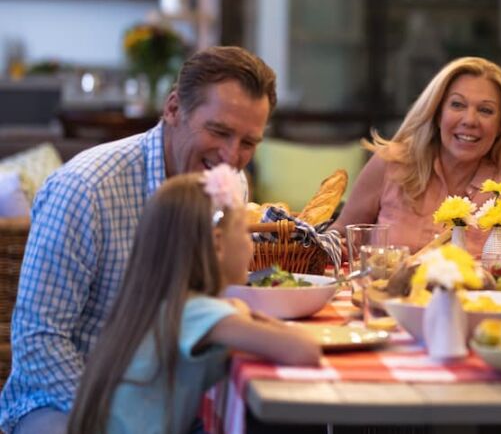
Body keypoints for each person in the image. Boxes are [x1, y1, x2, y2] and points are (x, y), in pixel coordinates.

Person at [0, 46, 277, 434]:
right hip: (68, 403)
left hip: (170, 404)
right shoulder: (85, 189)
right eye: (219, 131)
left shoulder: (227, 184)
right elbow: (38, 342)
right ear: (173, 109)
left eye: (248, 142)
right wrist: (121, 419)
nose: (232, 156)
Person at [66, 166, 321, 434]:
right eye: (245, 233)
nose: (252, 245)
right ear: (219, 245)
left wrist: (238, 311)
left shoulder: (162, 303)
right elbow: (303, 350)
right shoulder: (195, 311)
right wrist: (242, 311)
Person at [332, 57, 501, 256]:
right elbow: (339, 236)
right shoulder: (390, 163)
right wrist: (331, 246)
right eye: (457, 104)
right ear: (437, 113)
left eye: (485, 110)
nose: (469, 120)